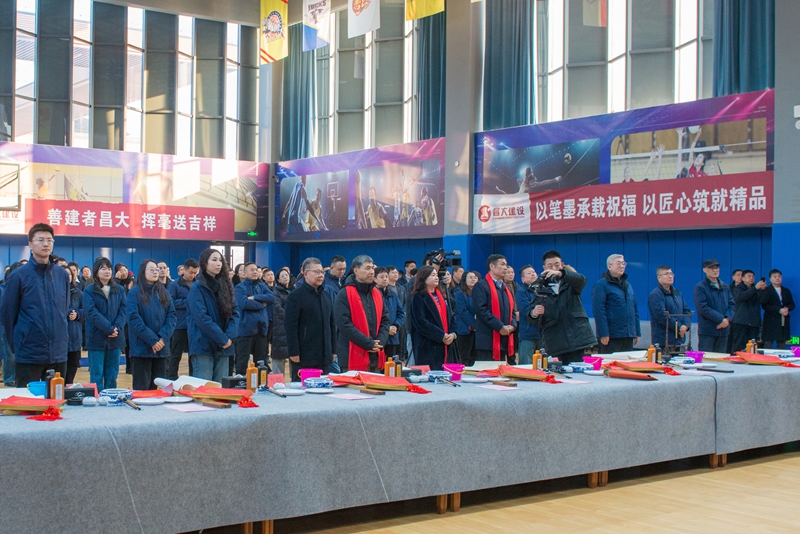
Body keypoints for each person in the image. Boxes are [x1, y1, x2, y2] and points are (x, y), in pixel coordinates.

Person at [1, 223, 70, 387]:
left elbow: (64, 308)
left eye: (49, 240)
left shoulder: (61, 274)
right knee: (27, 399)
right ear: (30, 244)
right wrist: (17, 344)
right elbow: (8, 314)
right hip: (29, 353)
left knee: (56, 398)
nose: (46, 244)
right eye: (40, 240)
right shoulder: (19, 275)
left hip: (58, 352)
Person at [528, 250, 596, 363]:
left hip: (577, 337)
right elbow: (531, 316)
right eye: (550, 266)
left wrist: (561, 273)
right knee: (559, 371)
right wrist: (534, 313)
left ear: (562, 265)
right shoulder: (540, 287)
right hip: (555, 340)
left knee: (579, 369)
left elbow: (582, 280)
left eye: (557, 264)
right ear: (544, 267)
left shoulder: (570, 282)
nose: (553, 268)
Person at [187, 249, 239, 382]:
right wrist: (222, 339)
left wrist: (228, 337)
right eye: (214, 260)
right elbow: (202, 318)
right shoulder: (197, 287)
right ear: (205, 263)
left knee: (220, 388)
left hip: (225, 346)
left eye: (220, 260)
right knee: (203, 388)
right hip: (203, 346)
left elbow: (235, 313)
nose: (218, 263)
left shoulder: (227, 286)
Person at [334, 255, 390, 372]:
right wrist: (367, 343)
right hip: (351, 355)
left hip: (376, 354)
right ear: (356, 271)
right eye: (367, 268)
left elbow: (385, 320)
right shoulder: (344, 294)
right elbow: (344, 324)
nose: (372, 272)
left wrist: (380, 342)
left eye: (373, 268)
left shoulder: (377, 293)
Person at [284, 258, 337, 381]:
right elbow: (290, 326)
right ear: (306, 274)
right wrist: (293, 351)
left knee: (323, 386)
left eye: (322, 272)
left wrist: (333, 350)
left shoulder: (326, 295)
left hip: (324, 354)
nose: (320, 275)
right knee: (303, 387)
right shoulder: (295, 296)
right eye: (317, 272)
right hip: (304, 354)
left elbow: (331, 324)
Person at [127, 260, 176, 390]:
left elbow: (172, 316)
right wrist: (153, 340)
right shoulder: (134, 293)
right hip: (142, 349)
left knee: (160, 391)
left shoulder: (164, 292)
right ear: (143, 272)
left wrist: (162, 338)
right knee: (142, 390)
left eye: (156, 269)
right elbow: (134, 319)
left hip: (161, 349)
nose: (155, 272)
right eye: (151, 269)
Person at [84, 257, 127, 391]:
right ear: (96, 272)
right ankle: (98, 400)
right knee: (96, 375)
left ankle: (110, 399)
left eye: (109, 269)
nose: (107, 271)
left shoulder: (119, 289)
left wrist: (117, 328)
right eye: (103, 269)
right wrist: (108, 328)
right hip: (96, 337)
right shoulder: (89, 290)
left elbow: (124, 310)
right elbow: (91, 312)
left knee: (112, 375)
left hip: (116, 338)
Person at [408, 266, 456, 370]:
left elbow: (451, 317)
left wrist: (453, 334)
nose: (436, 277)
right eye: (432, 275)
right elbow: (420, 322)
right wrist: (441, 335)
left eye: (436, 275)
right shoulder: (418, 297)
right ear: (424, 278)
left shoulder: (442, 296)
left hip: (445, 343)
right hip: (427, 343)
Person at [591, 254, 641, 353]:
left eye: (623, 263)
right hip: (611, 336)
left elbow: (634, 310)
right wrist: (603, 333)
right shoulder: (601, 285)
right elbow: (599, 310)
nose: (622, 266)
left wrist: (636, 332)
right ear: (609, 266)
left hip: (628, 335)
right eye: (618, 263)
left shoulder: (628, 286)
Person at [472, 254, 516, 363]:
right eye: (502, 264)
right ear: (492, 266)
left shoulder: (505, 288)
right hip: (488, 340)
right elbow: (481, 310)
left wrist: (512, 326)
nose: (505, 268)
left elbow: (512, 311)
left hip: (504, 338)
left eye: (506, 265)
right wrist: (500, 326)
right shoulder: (481, 286)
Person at [234, 262, 275, 374]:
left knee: (261, 363)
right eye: (252, 270)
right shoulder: (239, 287)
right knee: (242, 362)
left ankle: (260, 383)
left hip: (261, 329)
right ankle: (241, 382)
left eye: (256, 270)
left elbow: (271, 297)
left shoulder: (262, 286)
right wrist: (262, 304)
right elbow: (244, 303)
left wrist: (254, 297)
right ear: (244, 273)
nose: (255, 272)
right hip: (245, 330)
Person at [693, 259, 735, 353]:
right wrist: (721, 319)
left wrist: (727, 319)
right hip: (708, 330)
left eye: (716, 268)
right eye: (712, 268)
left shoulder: (725, 286)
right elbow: (703, 308)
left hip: (724, 330)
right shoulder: (700, 287)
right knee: (707, 357)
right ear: (704, 270)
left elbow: (732, 304)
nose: (715, 270)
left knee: (721, 357)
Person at [168, 258, 199, 379]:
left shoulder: (198, 284)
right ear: (184, 270)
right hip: (180, 325)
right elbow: (171, 302)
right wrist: (189, 302)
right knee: (176, 353)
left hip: (195, 325)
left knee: (193, 354)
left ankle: (193, 377)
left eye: (195, 273)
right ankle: (172, 377)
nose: (193, 275)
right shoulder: (174, 285)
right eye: (191, 272)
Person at [647, 266, 692, 351]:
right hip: (663, 341)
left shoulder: (677, 293)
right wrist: (679, 326)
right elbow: (661, 316)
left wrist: (686, 325)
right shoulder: (656, 295)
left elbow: (686, 311)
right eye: (667, 274)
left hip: (679, 339)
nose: (670, 276)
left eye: (671, 274)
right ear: (659, 277)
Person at [375, 267, 405, 367]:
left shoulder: (393, 295)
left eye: (386, 276)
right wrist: (386, 329)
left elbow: (401, 313)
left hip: (393, 336)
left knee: (391, 367)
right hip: (379, 337)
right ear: (375, 279)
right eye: (381, 277)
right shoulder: (372, 294)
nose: (385, 279)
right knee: (379, 367)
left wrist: (396, 326)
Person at [730, 270, 766, 353]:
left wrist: (764, 290)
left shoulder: (757, 289)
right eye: (749, 276)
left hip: (754, 321)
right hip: (741, 321)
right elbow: (742, 297)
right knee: (738, 344)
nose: (751, 278)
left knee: (752, 346)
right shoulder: (737, 288)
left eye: (753, 276)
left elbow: (763, 301)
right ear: (743, 278)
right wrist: (755, 288)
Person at [760, 269, 795, 349]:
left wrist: (787, 308)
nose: (777, 278)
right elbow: (765, 305)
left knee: (781, 345)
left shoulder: (786, 291)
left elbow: (792, 304)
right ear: (770, 279)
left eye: (779, 276)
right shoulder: (766, 290)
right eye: (775, 276)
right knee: (768, 344)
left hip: (783, 320)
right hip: (771, 321)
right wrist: (779, 310)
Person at [515, 265, 542, 365]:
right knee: (525, 365)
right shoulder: (521, 292)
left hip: (543, 335)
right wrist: (534, 312)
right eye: (529, 273)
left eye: (533, 272)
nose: (533, 274)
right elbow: (525, 310)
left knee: (544, 364)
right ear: (523, 279)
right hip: (528, 334)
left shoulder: (542, 290)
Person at [453, 270, 479, 367]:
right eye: (470, 277)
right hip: (464, 329)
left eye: (475, 277)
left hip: (477, 330)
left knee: (474, 356)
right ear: (464, 280)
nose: (473, 279)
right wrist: (475, 324)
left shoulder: (479, 293)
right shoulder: (460, 293)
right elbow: (462, 311)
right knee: (464, 356)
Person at [270, 267, 292, 377]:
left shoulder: (294, 290)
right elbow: (278, 309)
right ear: (278, 279)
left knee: (294, 355)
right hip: (280, 327)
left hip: (293, 326)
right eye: (282, 276)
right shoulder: (276, 292)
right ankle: (277, 381)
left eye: (286, 275)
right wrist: (291, 318)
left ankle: (295, 380)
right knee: (279, 356)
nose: (285, 277)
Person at [65, 267, 85, 384]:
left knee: (72, 366)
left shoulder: (78, 293)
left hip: (74, 335)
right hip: (61, 336)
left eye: (69, 274)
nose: (67, 276)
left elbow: (85, 310)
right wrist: (68, 313)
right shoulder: (54, 292)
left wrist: (77, 314)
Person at [726, 269, 744, 353]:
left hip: (740, 318)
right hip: (730, 316)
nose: (740, 277)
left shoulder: (747, 289)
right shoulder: (728, 288)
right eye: (738, 275)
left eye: (742, 275)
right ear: (733, 277)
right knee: (729, 339)